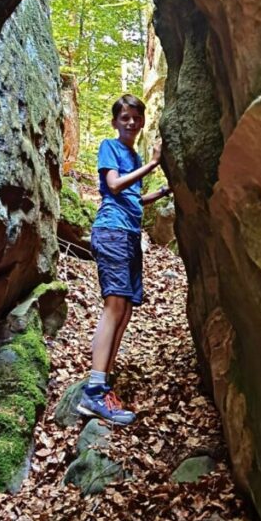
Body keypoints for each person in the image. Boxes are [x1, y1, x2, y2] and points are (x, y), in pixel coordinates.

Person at [76, 93, 172, 427]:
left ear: (142, 122)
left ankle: (104, 380)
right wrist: (154, 165)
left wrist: (159, 193)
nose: (130, 122)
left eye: (135, 117)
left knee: (127, 308)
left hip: (129, 233)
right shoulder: (110, 147)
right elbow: (114, 186)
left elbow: (133, 197)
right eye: (124, 117)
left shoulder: (134, 154)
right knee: (114, 305)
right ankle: (94, 389)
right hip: (112, 230)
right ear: (116, 122)